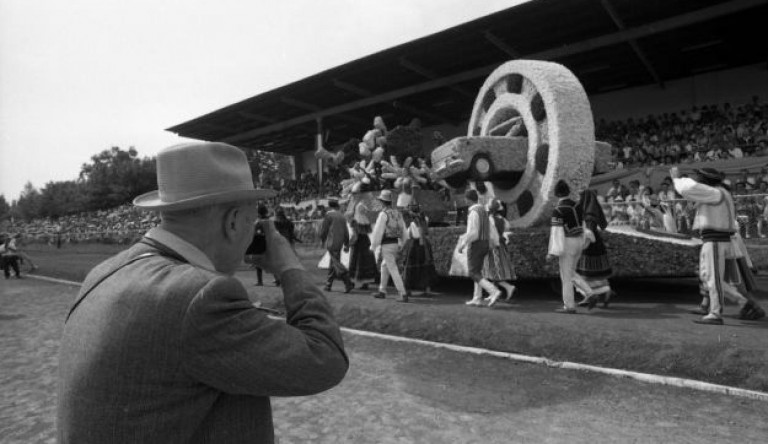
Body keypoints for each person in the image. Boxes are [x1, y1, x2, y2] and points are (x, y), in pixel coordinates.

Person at [57, 142, 348, 443]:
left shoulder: (103, 272)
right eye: (252, 221)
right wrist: (290, 267)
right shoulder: (199, 296)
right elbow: (325, 357)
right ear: (233, 221)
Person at [671, 166, 751, 325]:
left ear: (706, 181)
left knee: (713, 279)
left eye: (699, 178)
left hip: (715, 241)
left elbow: (688, 188)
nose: (697, 180)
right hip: (713, 240)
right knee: (708, 278)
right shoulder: (717, 192)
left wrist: (676, 178)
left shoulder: (715, 192)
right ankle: (745, 303)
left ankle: (716, 313)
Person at [458, 189, 502, 307]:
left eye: (465, 198)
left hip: (476, 244)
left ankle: (493, 291)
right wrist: (495, 242)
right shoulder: (483, 210)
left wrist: (462, 244)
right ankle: (477, 298)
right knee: (478, 271)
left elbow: (473, 232)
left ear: (468, 199)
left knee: (473, 272)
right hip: (485, 243)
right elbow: (492, 228)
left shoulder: (473, 212)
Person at [547, 181, 585, 314]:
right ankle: (590, 292)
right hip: (580, 241)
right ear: (568, 191)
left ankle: (569, 305)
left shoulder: (558, 210)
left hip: (568, 243)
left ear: (556, 193)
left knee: (566, 276)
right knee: (573, 273)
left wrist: (553, 252)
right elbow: (583, 225)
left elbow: (556, 233)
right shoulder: (578, 206)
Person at [574, 189, 615, 309]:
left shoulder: (589, 213)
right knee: (596, 274)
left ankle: (594, 294)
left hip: (589, 245)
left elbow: (589, 231)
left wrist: (582, 244)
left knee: (586, 273)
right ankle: (605, 292)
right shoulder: (591, 210)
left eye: (581, 197)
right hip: (596, 245)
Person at [370, 189, 409, 302]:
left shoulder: (383, 214)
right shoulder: (397, 213)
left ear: (382, 202)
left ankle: (403, 293)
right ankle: (382, 291)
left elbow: (378, 231)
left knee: (392, 268)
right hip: (395, 243)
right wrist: (402, 242)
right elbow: (404, 230)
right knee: (385, 266)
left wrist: (373, 246)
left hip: (387, 244)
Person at [481, 200, 516, 305]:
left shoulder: (489, 220)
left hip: (492, 246)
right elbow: (506, 230)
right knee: (495, 270)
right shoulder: (502, 220)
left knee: (492, 271)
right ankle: (493, 293)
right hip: (501, 246)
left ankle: (507, 287)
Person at [319, 198, 354, 293]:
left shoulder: (328, 215)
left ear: (329, 206)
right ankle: (328, 285)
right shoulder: (342, 216)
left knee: (336, 264)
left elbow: (324, 230)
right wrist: (346, 244)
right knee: (333, 262)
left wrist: (322, 240)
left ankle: (348, 282)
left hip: (331, 242)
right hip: (340, 242)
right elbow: (346, 232)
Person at [402, 203, 437, 297]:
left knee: (410, 267)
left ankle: (407, 289)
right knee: (425, 266)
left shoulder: (413, 222)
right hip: (425, 244)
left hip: (414, 245)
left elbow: (410, 233)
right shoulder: (424, 219)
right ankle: (427, 288)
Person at [347, 198, 377, 290]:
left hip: (358, 244)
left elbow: (355, 235)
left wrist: (348, 244)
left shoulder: (355, 221)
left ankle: (352, 282)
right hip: (366, 243)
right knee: (366, 262)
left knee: (355, 262)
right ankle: (365, 283)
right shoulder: (366, 221)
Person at [272, 207, 297, 286]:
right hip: (288, 243)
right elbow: (292, 233)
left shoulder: (275, 223)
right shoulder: (289, 222)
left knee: (275, 263)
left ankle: (278, 279)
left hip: (278, 244)